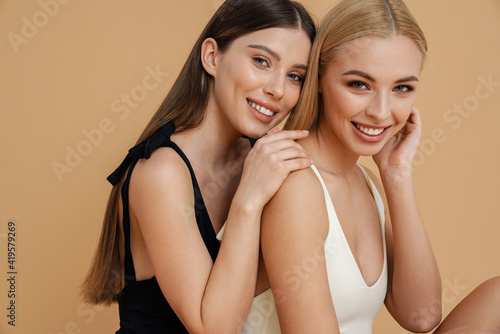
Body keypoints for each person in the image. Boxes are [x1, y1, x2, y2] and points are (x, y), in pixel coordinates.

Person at [258, 0, 500, 333]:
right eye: (359, 84)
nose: (381, 111)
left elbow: (421, 316)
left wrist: (397, 175)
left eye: (402, 88)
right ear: (318, 79)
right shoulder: (295, 184)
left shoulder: (364, 182)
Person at [80, 0, 316, 333]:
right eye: (261, 61)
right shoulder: (161, 173)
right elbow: (214, 328)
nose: (278, 89)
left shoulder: (261, 161)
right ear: (212, 57)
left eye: (295, 76)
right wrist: (248, 202)